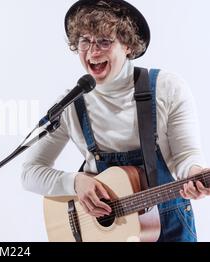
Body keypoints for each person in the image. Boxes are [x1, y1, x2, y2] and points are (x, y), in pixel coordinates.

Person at [21, 0, 210, 242]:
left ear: (128, 45)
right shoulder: (70, 105)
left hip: (169, 226)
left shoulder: (167, 88)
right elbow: (29, 172)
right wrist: (75, 182)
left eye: (104, 41)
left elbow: (187, 158)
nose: (92, 52)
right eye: (85, 41)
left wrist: (196, 175)